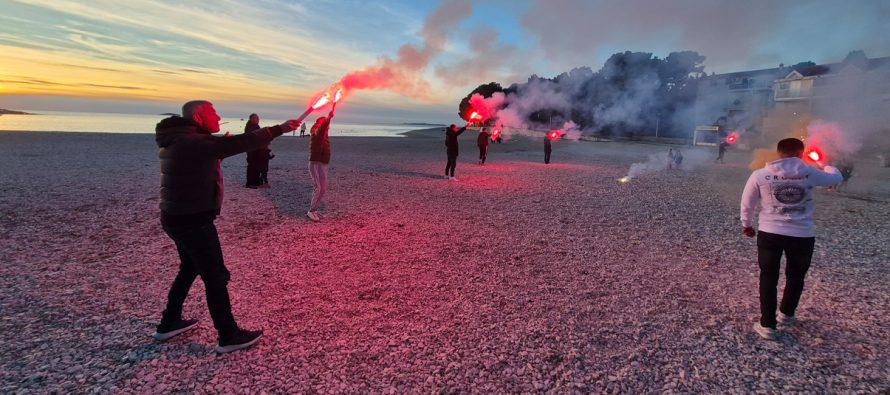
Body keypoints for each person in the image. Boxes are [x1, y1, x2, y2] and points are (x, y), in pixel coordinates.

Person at [154, 101, 300, 353]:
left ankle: (169, 322)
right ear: (198, 118)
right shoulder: (192, 142)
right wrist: (279, 129)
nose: (218, 117)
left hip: (177, 217)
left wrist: (220, 150)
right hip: (193, 221)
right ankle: (228, 335)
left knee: (189, 268)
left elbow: (208, 156)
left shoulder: (183, 140)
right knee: (216, 276)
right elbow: (240, 143)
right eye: (212, 113)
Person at [740, 138, 842, 340]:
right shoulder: (810, 173)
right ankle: (786, 314)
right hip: (802, 234)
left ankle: (767, 325)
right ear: (801, 153)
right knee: (796, 276)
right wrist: (823, 162)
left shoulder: (760, 174)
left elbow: (747, 202)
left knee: (768, 277)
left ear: (778, 153)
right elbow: (835, 178)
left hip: (770, 232)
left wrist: (747, 224)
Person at [307, 110, 335, 221]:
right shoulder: (316, 130)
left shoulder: (324, 134)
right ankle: (311, 211)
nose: (329, 128)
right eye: (327, 125)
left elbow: (323, 131)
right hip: (315, 162)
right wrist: (328, 118)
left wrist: (328, 120)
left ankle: (315, 210)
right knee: (318, 187)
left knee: (323, 188)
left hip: (323, 162)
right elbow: (321, 131)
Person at [244, 114, 262, 188]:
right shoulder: (249, 127)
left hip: (256, 148)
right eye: (255, 118)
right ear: (251, 119)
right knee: (252, 165)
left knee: (256, 165)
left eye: (257, 118)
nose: (257, 119)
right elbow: (252, 137)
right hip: (251, 149)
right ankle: (250, 183)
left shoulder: (256, 126)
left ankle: (256, 181)